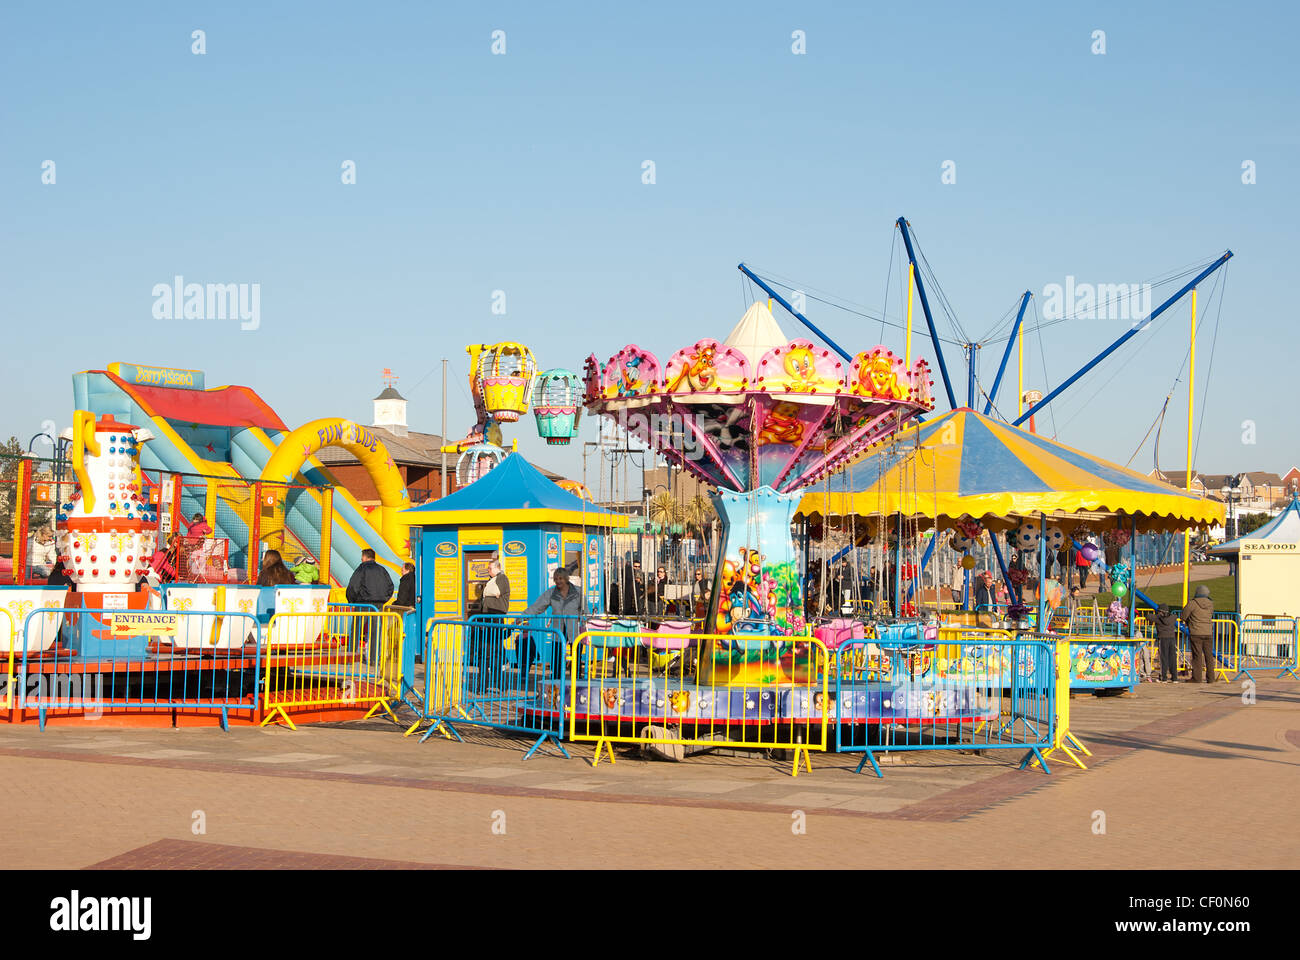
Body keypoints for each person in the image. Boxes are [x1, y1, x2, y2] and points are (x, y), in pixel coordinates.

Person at [521, 565, 584, 679]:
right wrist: (523, 616)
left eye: (560, 578)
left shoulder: (578, 592)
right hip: (558, 629)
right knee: (557, 657)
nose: (558, 581)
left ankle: (576, 682)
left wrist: (586, 623)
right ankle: (556, 683)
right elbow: (538, 606)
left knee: (576, 657)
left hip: (575, 628)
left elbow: (585, 611)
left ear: (566, 579)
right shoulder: (551, 593)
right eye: (556, 579)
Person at [1180, 584, 1217, 683]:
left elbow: (1183, 615)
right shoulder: (1210, 604)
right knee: (1209, 656)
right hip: (1208, 632)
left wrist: (1188, 621)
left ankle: (1197, 678)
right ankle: (1211, 678)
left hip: (1196, 632)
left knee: (1197, 656)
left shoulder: (1192, 603)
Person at [1154, 603, 1180, 682]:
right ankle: (1174, 677)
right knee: (1172, 658)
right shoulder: (1173, 618)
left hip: (1162, 638)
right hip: (1171, 638)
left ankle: (1163, 677)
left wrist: (1158, 616)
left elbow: (1149, 617)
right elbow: (1174, 616)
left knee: (1163, 658)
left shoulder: (1158, 618)